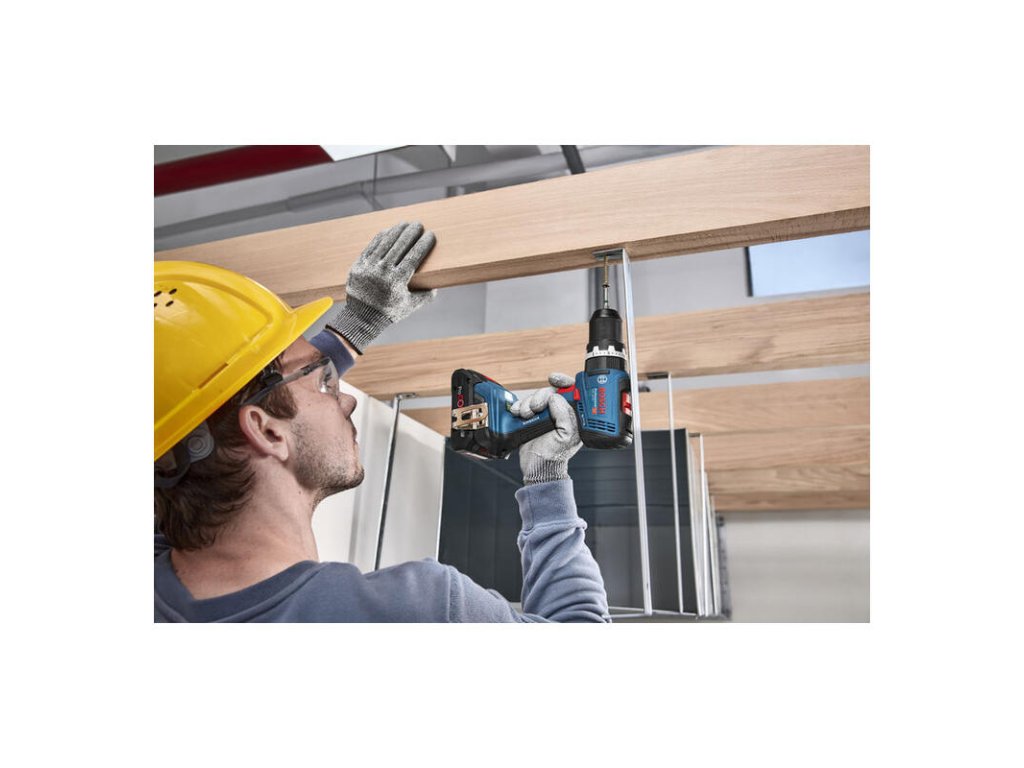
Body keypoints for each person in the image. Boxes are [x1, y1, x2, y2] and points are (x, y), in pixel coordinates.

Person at [154, 221, 610, 622]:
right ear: (267, 430)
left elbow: (210, 414)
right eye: (326, 385)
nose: (347, 401)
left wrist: (357, 324)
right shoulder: (419, 610)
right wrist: (547, 478)